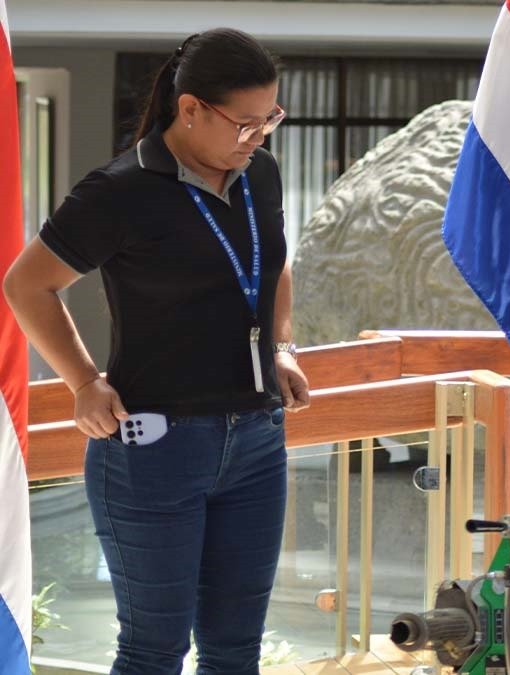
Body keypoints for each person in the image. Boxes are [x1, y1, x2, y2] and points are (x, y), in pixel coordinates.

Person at [3, 29, 308, 674]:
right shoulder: (120, 191)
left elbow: (272, 263)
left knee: (235, 650)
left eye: (269, 120)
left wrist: (280, 347)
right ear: (190, 107)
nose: (257, 137)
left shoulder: (262, 175)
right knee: (153, 650)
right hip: (154, 449)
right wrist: (84, 382)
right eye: (244, 123)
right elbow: (26, 283)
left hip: (256, 441)